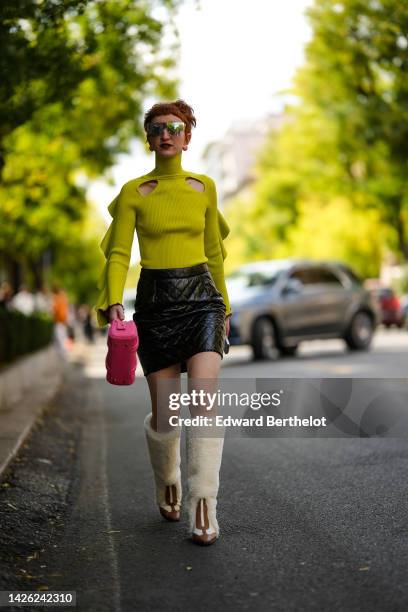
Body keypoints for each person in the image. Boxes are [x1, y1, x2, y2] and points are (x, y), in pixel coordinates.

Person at [94, 99, 232, 546]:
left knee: (205, 401)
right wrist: (113, 300)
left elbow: (214, 254)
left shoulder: (205, 187)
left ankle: (203, 504)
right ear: (149, 138)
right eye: (157, 128)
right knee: (167, 411)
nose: (166, 134)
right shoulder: (134, 192)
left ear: (187, 136)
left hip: (202, 299)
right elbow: (119, 253)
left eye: (175, 127)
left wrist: (224, 308)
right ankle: (168, 479)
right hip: (155, 303)